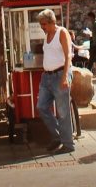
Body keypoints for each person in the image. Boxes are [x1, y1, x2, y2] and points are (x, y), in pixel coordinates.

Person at [36, 8, 75, 154]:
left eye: (44, 24)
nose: (42, 27)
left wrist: (65, 76)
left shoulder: (62, 32)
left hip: (60, 75)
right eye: (41, 24)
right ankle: (58, 136)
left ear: (52, 22)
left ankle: (68, 144)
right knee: (41, 107)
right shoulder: (47, 36)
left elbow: (68, 56)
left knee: (63, 112)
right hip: (47, 77)